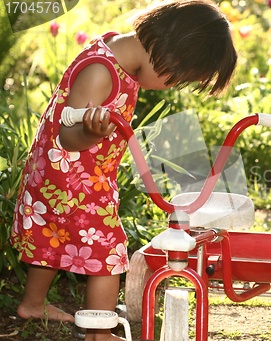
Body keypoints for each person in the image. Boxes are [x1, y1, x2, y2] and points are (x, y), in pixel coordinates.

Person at [10, 0, 237, 340]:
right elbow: (68, 136)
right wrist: (90, 131)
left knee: (51, 236)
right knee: (108, 253)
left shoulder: (117, 52)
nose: (172, 86)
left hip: (64, 177)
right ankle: (99, 333)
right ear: (171, 54)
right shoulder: (102, 72)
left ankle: (33, 303)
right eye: (178, 79)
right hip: (73, 182)